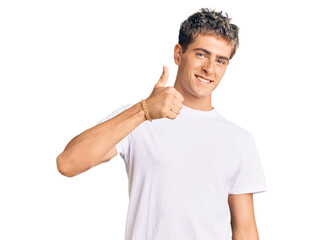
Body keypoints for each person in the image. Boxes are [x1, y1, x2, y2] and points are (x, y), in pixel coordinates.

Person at [56, 8, 267, 240]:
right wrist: (143, 110)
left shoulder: (239, 141)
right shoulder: (139, 118)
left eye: (220, 60)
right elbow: (68, 163)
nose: (210, 68)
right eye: (201, 54)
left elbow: (245, 231)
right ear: (178, 54)